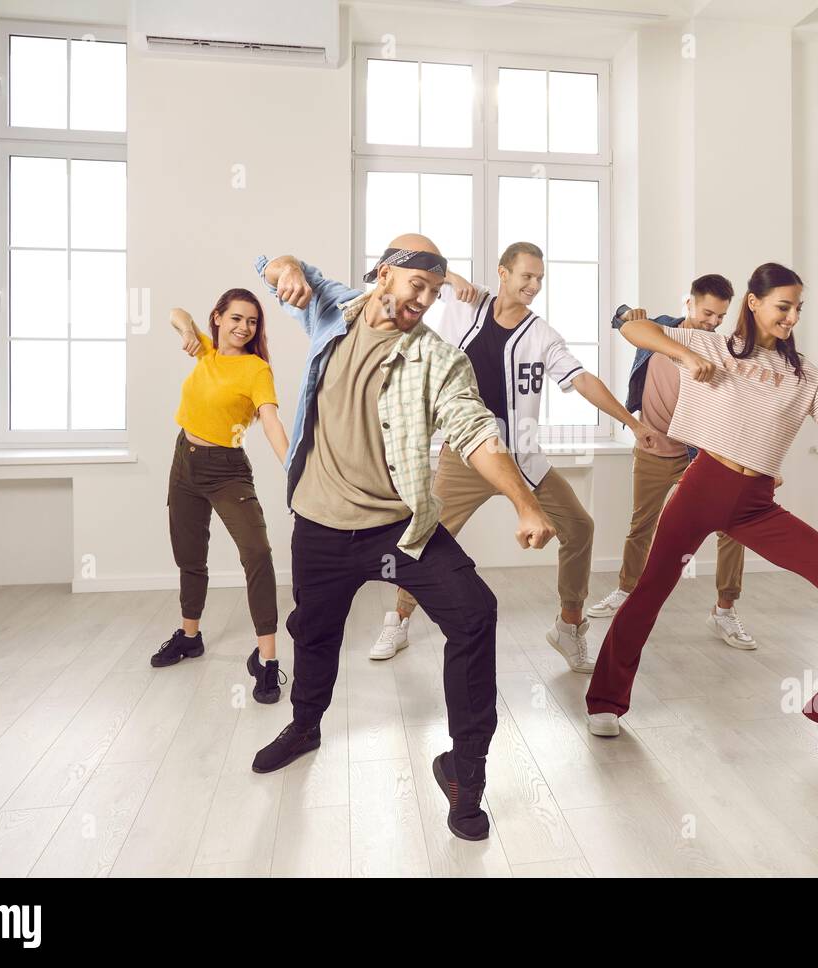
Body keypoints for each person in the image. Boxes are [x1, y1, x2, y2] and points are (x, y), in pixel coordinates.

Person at [249, 234, 556, 843]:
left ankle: (465, 772)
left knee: (474, 613)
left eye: (437, 292)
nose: (425, 299)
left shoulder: (439, 359)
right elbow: (281, 269)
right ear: (385, 275)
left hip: (397, 527)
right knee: (314, 628)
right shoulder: (335, 308)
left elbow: (475, 431)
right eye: (418, 285)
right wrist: (281, 264)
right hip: (318, 519)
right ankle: (306, 723)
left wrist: (525, 501)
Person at [585, 263, 818, 759]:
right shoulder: (713, 345)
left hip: (755, 505)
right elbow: (632, 328)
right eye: (783, 306)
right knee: (651, 589)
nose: (792, 316)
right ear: (753, 303)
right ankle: (605, 701)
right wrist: (684, 353)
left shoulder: (804, 375)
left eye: (798, 308)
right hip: (702, 486)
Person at [370, 242, 659, 674]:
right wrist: (451, 277)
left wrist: (632, 425)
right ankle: (400, 619)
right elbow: (417, 270)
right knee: (425, 536)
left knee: (579, 528)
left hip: (522, 459)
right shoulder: (464, 302)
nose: (534, 285)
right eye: (526, 276)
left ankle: (569, 625)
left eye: (540, 278)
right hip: (465, 456)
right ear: (503, 273)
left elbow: (582, 380)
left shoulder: (542, 334)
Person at [589, 274, 777, 651]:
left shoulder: (723, 348)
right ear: (687, 303)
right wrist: (629, 314)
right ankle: (626, 590)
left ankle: (724, 609)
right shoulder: (659, 330)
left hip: (704, 452)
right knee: (641, 524)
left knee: (731, 527)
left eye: (720, 316)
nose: (712, 323)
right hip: (654, 446)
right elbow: (620, 319)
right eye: (707, 313)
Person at [157, 289, 289, 705]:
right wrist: (185, 331)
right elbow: (175, 308)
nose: (243, 328)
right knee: (190, 555)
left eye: (251, 322)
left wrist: (293, 465)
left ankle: (266, 661)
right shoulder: (208, 350)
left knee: (257, 553)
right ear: (217, 318)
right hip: (184, 463)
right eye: (235, 318)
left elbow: (270, 421)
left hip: (226, 471)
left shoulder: (256, 369)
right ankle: (190, 636)